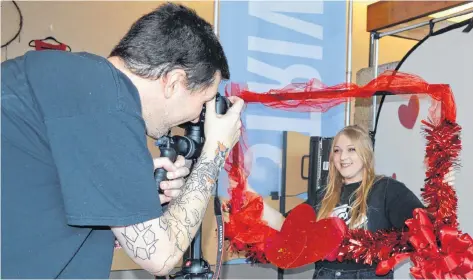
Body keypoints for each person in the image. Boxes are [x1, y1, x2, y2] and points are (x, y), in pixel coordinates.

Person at [1, 3, 244, 279]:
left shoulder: (81, 86)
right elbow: (160, 256)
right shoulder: (107, 99)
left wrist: (131, 196)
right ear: (174, 81)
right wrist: (215, 151)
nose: (197, 115)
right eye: (202, 102)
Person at [244, 125, 455, 279]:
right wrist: (248, 193)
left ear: (366, 153)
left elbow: (425, 228)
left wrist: (442, 190)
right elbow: (286, 225)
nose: (342, 156)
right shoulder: (323, 196)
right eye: (337, 150)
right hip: (325, 274)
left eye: (351, 149)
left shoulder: (387, 189)